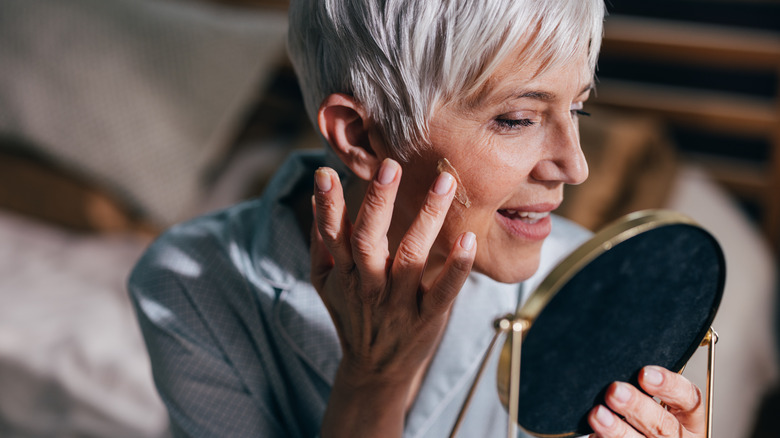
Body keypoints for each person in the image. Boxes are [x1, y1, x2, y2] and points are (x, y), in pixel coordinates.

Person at [129, 0, 708, 437]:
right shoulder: (190, 282)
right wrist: (374, 377)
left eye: (577, 107)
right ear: (360, 135)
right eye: (516, 119)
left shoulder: (597, 286)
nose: (574, 166)